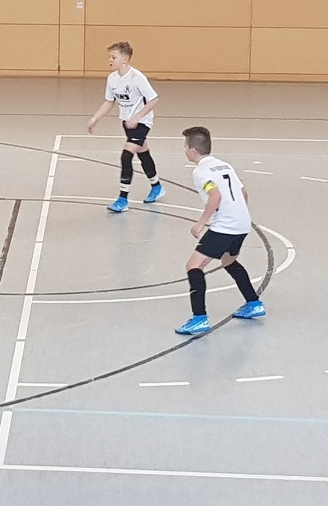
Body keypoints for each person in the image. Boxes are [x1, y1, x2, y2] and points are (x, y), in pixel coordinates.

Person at [175, 126, 265, 336]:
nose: (185, 150)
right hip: (243, 223)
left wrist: (201, 223)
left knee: (193, 266)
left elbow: (215, 197)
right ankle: (254, 303)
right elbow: (243, 194)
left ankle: (199, 318)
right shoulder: (224, 165)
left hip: (226, 226)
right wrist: (237, 215)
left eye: (185, 147)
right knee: (228, 261)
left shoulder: (201, 172)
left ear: (193, 150)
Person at [85, 40, 163, 212]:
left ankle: (123, 199)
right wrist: (95, 118)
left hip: (142, 122)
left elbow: (153, 99)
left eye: (113, 57)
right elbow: (109, 101)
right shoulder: (112, 79)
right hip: (127, 122)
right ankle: (157, 186)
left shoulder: (137, 78)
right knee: (143, 153)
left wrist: (137, 117)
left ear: (125, 59)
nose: (110, 60)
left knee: (126, 156)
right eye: (109, 57)